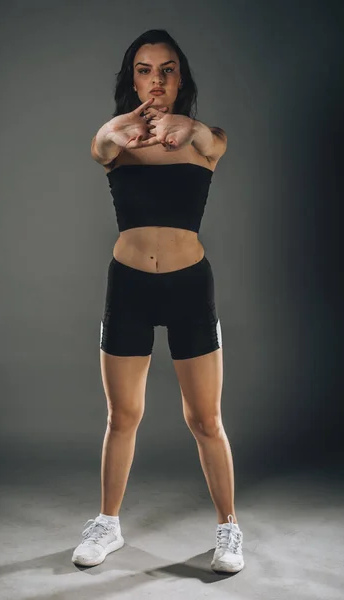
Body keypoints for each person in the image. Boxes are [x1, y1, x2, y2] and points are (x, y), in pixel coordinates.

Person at [72, 29, 244, 573]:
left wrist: (188, 126)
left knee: (205, 418)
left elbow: (215, 143)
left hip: (189, 285)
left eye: (167, 70)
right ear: (133, 79)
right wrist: (111, 129)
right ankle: (107, 525)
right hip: (128, 286)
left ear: (181, 79)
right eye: (145, 71)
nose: (157, 81)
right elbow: (98, 147)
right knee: (122, 415)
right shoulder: (118, 142)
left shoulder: (203, 139)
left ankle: (229, 530)